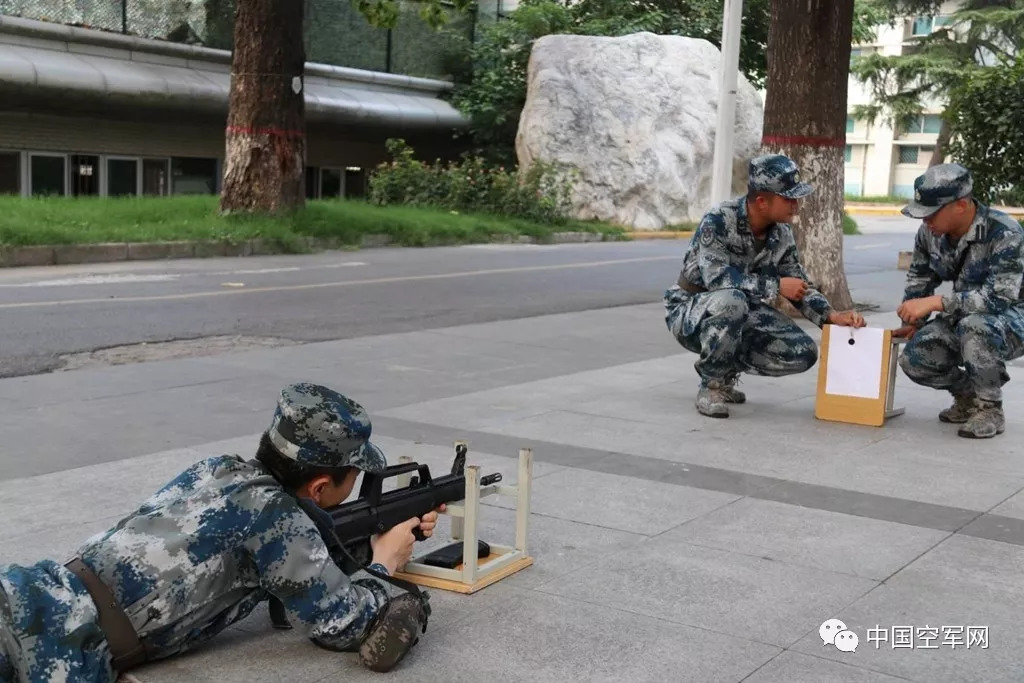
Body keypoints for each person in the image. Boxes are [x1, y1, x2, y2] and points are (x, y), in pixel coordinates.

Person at [0, 382, 442, 682]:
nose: (357, 485)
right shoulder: (280, 522)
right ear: (321, 486)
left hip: (28, 592)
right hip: (53, 643)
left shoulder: (216, 470)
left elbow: (271, 550)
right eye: (355, 476)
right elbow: (342, 624)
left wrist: (366, 541)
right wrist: (385, 561)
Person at [663, 153, 865, 417]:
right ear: (761, 201)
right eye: (788, 198)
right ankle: (711, 385)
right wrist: (776, 286)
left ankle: (725, 367)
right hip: (690, 310)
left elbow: (798, 285)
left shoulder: (782, 234)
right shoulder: (719, 220)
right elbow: (717, 280)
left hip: (739, 309)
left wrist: (831, 316)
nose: (796, 204)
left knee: (802, 352)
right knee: (731, 299)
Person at [893, 163, 1024, 439]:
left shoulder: (1005, 233)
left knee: (975, 327)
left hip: (1012, 319)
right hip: (966, 315)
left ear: (961, 206)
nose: (925, 221)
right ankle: (966, 398)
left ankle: (990, 409)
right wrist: (913, 320)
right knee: (914, 358)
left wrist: (938, 303)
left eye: (931, 213)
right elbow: (919, 277)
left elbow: (998, 298)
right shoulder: (929, 233)